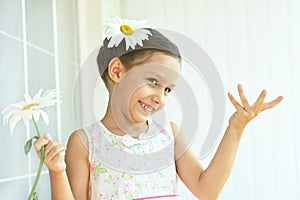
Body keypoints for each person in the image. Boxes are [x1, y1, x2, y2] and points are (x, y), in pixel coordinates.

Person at [34, 16, 283, 200]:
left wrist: (235, 128)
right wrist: (57, 172)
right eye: (153, 81)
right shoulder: (85, 142)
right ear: (117, 71)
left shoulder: (168, 135)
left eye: (167, 89)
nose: (161, 98)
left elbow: (207, 190)